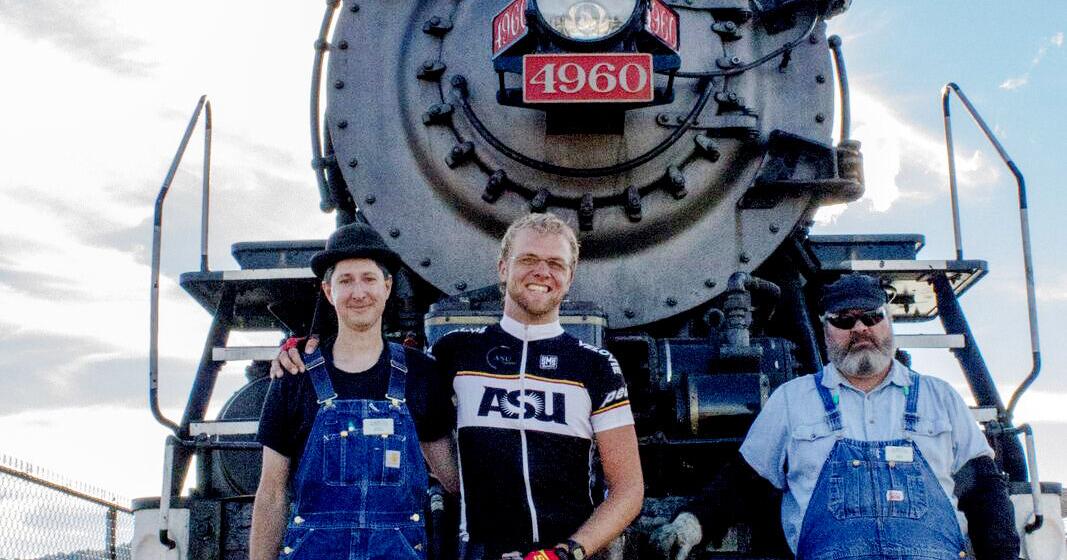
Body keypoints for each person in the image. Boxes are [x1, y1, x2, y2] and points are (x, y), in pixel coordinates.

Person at [276, 213, 644, 560]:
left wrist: (568, 551)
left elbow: (628, 489)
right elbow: (372, 367)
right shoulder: (456, 351)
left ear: (570, 274)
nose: (541, 271)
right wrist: (303, 349)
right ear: (503, 267)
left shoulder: (597, 366)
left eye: (555, 263)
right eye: (528, 259)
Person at [652, 273, 1019, 560]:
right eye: (844, 321)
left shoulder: (940, 398)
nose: (860, 329)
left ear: (889, 321)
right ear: (825, 329)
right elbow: (743, 482)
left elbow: (984, 491)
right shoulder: (792, 402)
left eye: (872, 317)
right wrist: (692, 523)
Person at [250, 223, 459, 560]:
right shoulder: (294, 376)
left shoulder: (421, 374)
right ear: (329, 291)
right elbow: (272, 493)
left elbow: (454, 481)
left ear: (387, 287)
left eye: (369, 278)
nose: (358, 292)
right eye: (345, 280)